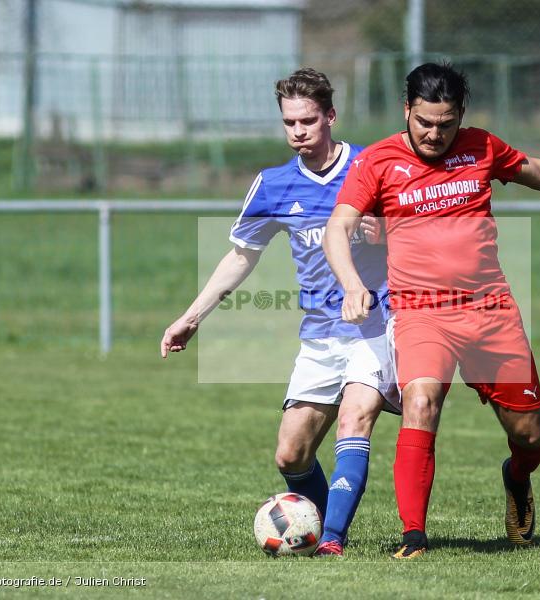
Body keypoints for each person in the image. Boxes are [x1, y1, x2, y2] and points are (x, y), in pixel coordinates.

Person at [323, 62, 540, 559]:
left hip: (490, 310)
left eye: (446, 123)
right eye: (424, 122)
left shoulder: (481, 146)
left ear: (461, 114)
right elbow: (338, 226)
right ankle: (414, 537)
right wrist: (352, 284)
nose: (434, 134)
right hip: (422, 312)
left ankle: (517, 476)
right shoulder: (377, 162)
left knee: (530, 438)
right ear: (406, 110)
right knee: (420, 402)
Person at [160, 68, 399, 557]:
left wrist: (388, 230)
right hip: (320, 335)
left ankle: (331, 540)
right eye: (289, 122)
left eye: (308, 120)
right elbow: (241, 256)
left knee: (355, 420)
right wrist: (192, 317)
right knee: (291, 454)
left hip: (378, 324)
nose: (298, 131)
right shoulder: (273, 185)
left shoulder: (370, 166)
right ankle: (318, 525)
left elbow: (423, 228)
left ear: (330, 116)